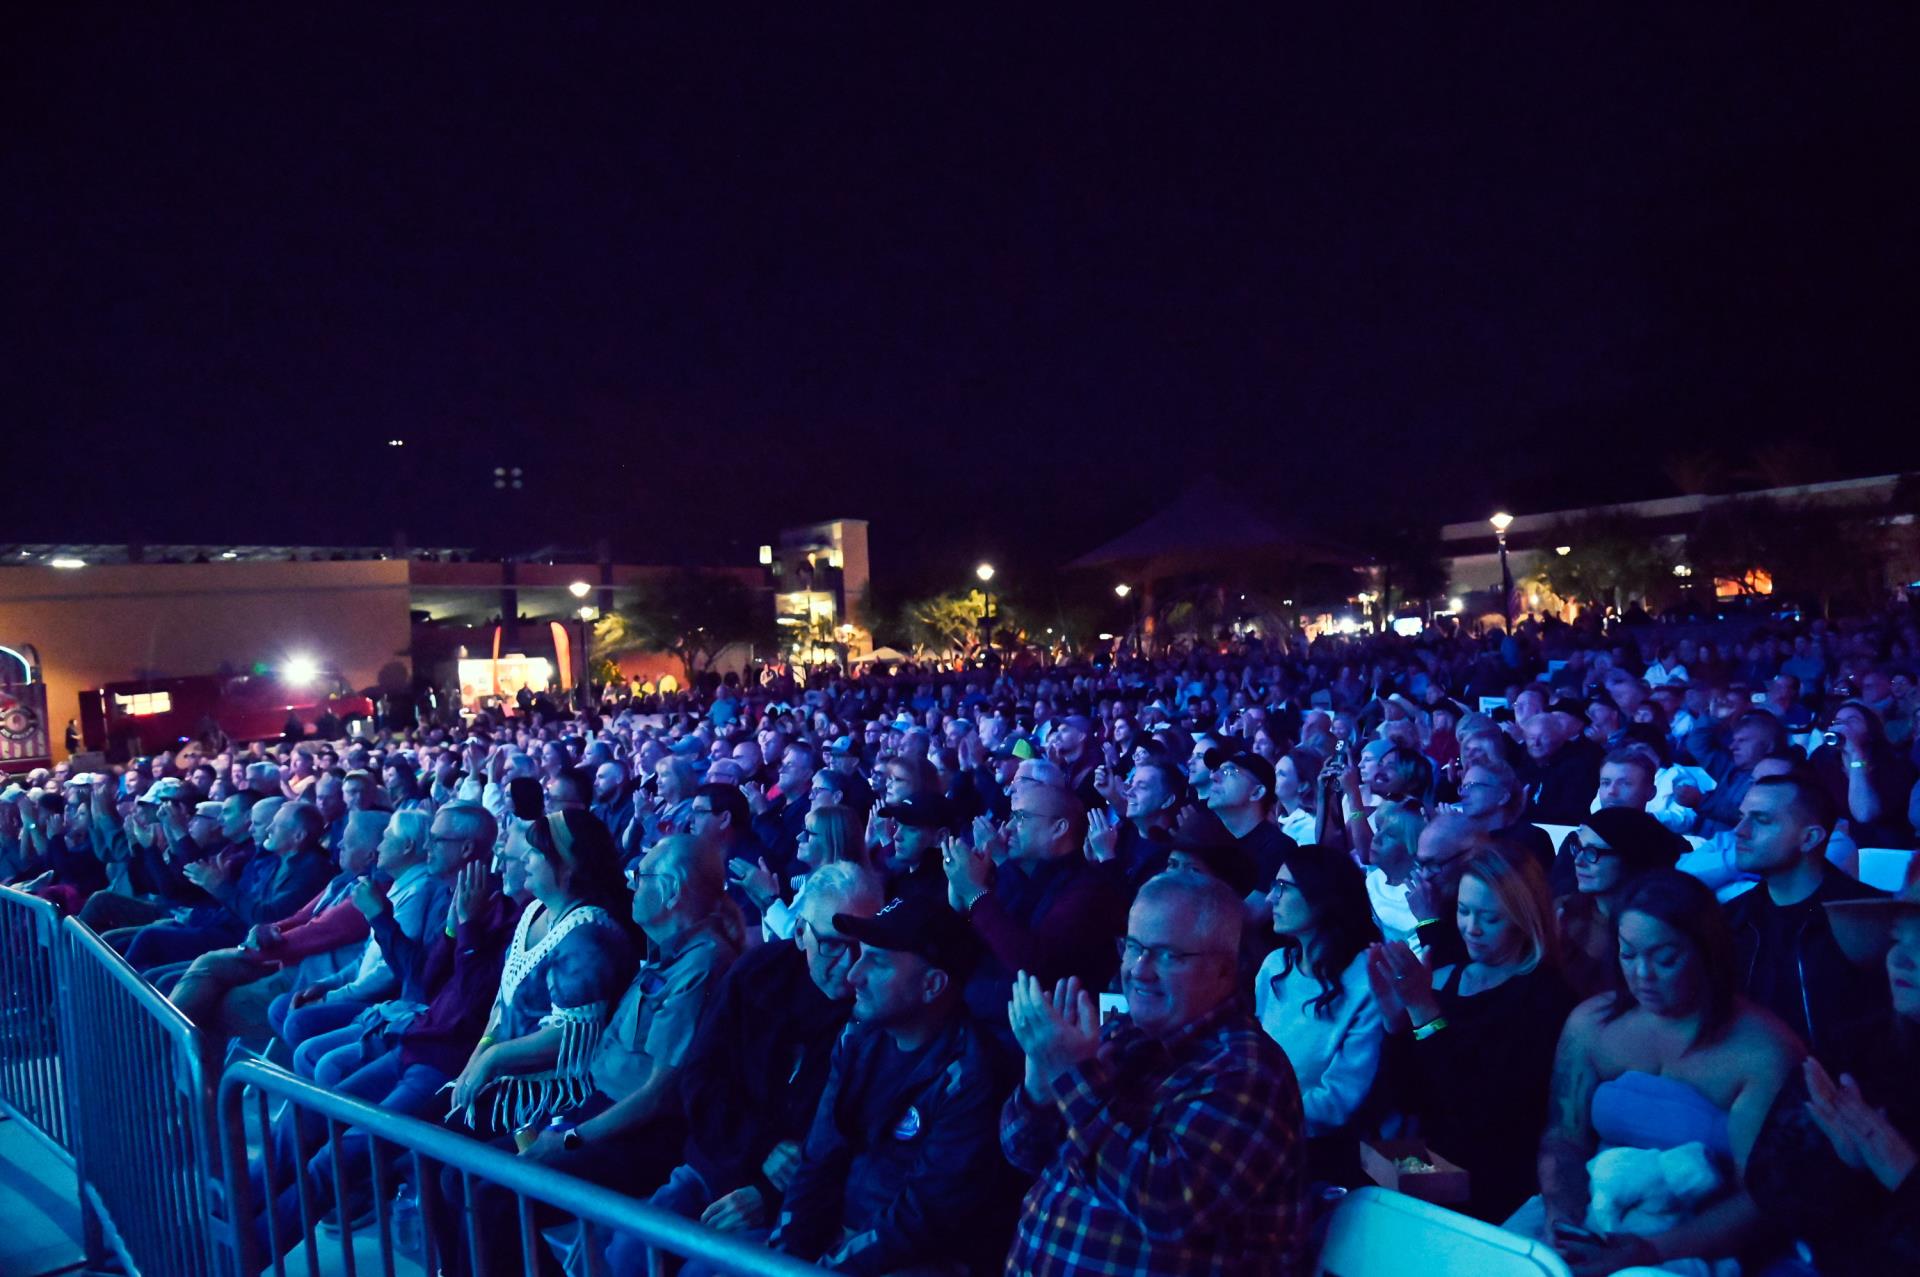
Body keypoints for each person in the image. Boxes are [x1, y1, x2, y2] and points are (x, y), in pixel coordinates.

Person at [1002, 871, 1306, 1276]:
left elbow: (1168, 1202)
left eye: (1168, 955)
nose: (1139, 970)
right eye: (1134, 947)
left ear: (1223, 970)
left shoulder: (1246, 1070)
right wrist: (1040, 1084)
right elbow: (1022, 1151)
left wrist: (1069, 1073)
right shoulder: (1121, 1038)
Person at [608, 863, 885, 1276]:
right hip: (717, 1161)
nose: (849, 965)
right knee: (627, 1254)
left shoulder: (882, 1003)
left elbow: (860, 1137)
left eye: (861, 944)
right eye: (831, 944)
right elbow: (701, 1077)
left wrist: (769, 1193)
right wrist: (761, 1148)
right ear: (799, 932)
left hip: (801, 1199)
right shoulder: (757, 974)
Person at [1531, 871, 1803, 1276]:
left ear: (1706, 953)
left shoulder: (1762, 1050)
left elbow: (1760, 1198)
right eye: (1628, 954)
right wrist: (1564, 1220)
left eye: (1665, 958)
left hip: (1701, 1239)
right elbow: (1563, 1136)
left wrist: (1649, 1251)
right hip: (1594, 1209)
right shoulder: (1591, 1024)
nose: (1643, 975)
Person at [769, 892, 1004, 1275]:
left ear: (932, 985)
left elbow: (919, 1219)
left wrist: (822, 1269)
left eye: (876, 962)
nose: (853, 975)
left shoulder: (970, 1076)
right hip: (838, 1243)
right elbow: (818, 1160)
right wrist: (778, 1255)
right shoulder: (857, 1040)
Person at [1368, 847, 1575, 1222]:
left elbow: (1479, 1110)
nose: (1471, 928)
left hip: (1493, 1174)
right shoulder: (1452, 977)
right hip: (1433, 1154)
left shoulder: (1546, 996)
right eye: (1463, 911)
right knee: (1337, 1163)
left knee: (1358, 1178)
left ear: (1523, 919)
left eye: (1490, 917)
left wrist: (1423, 1010)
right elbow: (1407, 1095)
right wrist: (1394, 1022)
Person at [1745, 878, 1920, 1273]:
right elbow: (1769, 1187)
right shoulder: (1857, 1047)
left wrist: (1904, 1176)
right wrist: (1844, 1167)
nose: (1901, 959)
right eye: (1898, 938)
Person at [941, 782, 1128, 1061]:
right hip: (981, 1028)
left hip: (1026, 1050)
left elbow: (1035, 964)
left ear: (1059, 828)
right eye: (1012, 817)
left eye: (1022, 817)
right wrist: (961, 893)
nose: (1009, 828)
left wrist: (975, 894)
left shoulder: (1088, 890)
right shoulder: (1018, 877)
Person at [1725, 772, 1887, 1058]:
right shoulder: (1731, 919)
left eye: (1762, 820)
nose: (1740, 830)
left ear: (1810, 838)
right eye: (1741, 816)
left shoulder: (1869, 918)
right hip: (1746, 1078)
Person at [1256, 844, 1384, 1185]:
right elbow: (1251, 1054)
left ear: (1322, 895)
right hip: (1259, 1131)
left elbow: (1339, 1099)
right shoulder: (1274, 967)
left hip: (1316, 1154)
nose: (1271, 898)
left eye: (1283, 888)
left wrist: (1260, 1114)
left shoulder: (1365, 980)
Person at [1553, 808, 1683, 999]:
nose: (1579, 861)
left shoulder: (1661, 928)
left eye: (1593, 852)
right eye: (1578, 848)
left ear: (1631, 858)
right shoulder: (1563, 911)